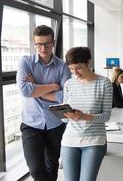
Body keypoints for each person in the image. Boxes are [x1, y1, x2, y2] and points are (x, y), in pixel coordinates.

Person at [16, 25, 71, 181]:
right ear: (34, 44)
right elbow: (26, 90)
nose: (43, 48)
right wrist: (54, 86)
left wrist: (37, 89)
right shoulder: (25, 62)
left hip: (56, 123)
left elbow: (65, 96)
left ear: (53, 43)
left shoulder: (62, 66)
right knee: (35, 168)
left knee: (52, 166)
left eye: (47, 43)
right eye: (39, 44)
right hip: (31, 123)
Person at [61, 47, 112, 181]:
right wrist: (65, 115)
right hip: (70, 139)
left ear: (88, 63)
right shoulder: (69, 84)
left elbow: (106, 116)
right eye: (71, 69)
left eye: (78, 68)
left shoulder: (104, 83)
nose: (75, 73)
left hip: (94, 140)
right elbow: (65, 120)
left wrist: (85, 117)